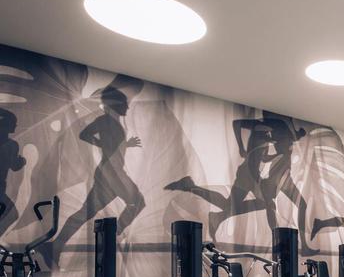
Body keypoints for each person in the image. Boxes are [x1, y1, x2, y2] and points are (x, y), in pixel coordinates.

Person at [165, 112, 316, 253]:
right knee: (263, 204)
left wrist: (297, 136)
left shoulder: (277, 130)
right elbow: (241, 129)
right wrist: (242, 149)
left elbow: (267, 153)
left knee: (238, 205)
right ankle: (279, 243)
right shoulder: (263, 128)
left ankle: (214, 213)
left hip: (272, 174)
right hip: (250, 173)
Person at [57, 86, 144, 249]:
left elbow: (111, 146)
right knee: (138, 201)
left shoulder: (113, 123)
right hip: (112, 173)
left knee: (85, 213)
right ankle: (112, 235)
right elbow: (85, 134)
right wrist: (102, 144)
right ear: (116, 104)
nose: (128, 106)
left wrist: (126, 144)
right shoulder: (105, 121)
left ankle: (56, 244)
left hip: (110, 173)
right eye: (124, 103)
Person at [0, 108, 25, 236]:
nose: (15, 125)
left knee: (11, 214)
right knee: (12, 214)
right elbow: (15, 166)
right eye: (13, 122)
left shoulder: (11, 145)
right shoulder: (11, 145)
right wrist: (23, 161)